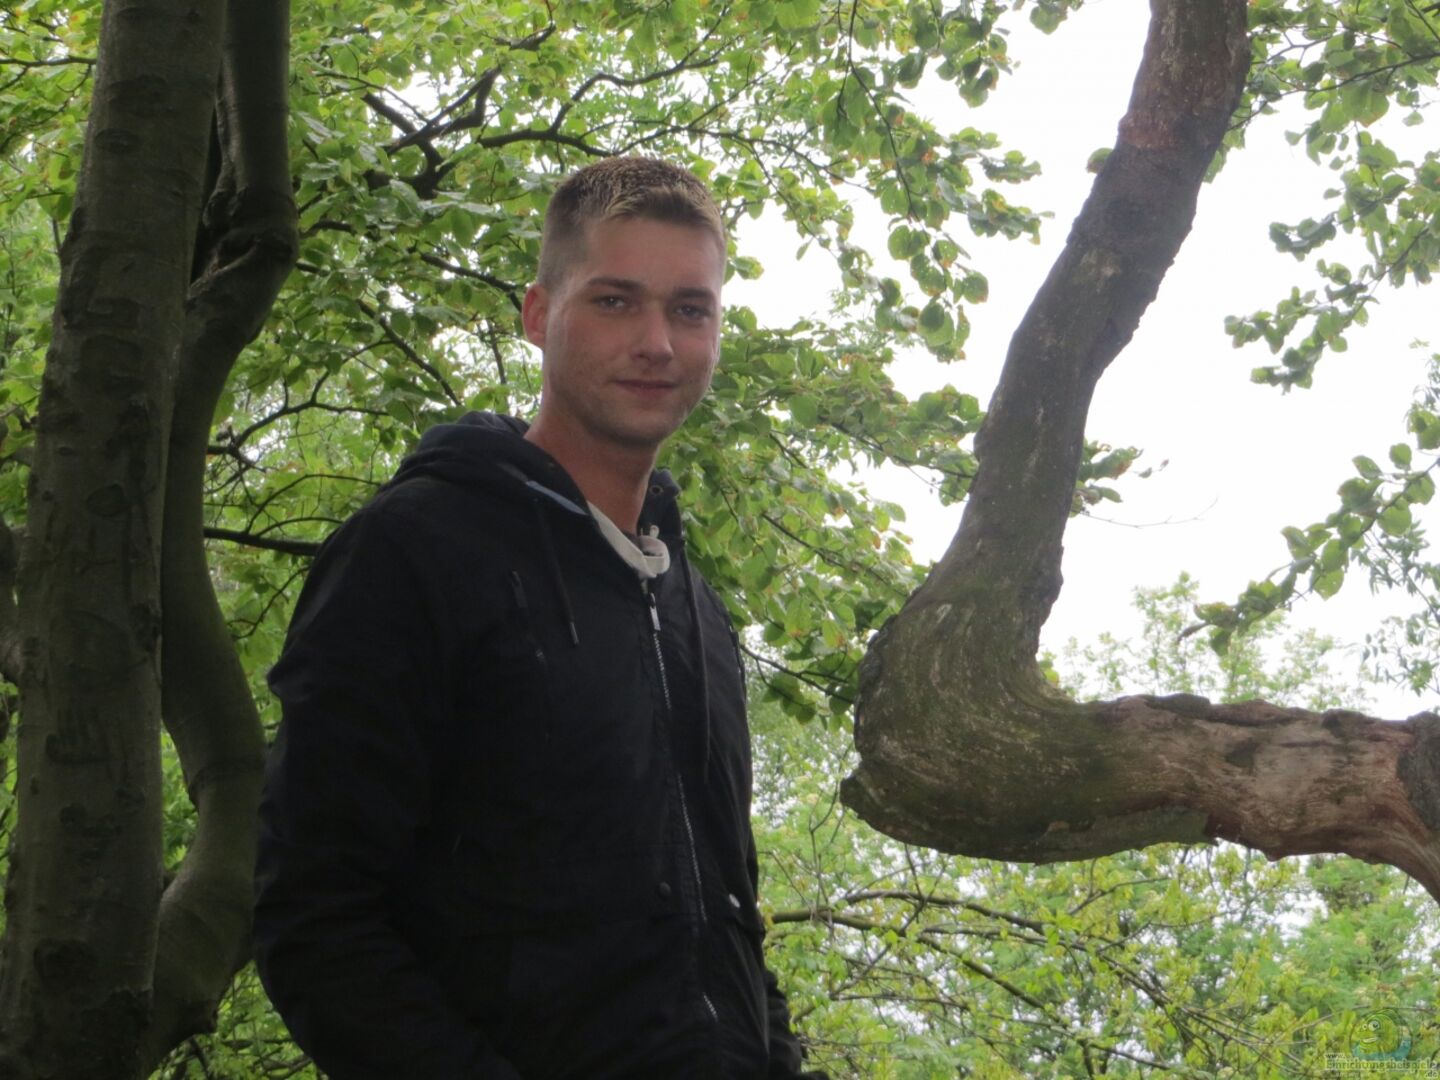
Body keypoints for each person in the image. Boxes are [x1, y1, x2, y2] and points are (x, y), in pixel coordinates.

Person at [254, 157, 825, 1079]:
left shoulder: (697, 611)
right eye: (614, 302)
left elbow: (723, 925)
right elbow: (315, 917)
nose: (657, 343)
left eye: (690, 309)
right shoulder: (416, 549)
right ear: (537, 314)